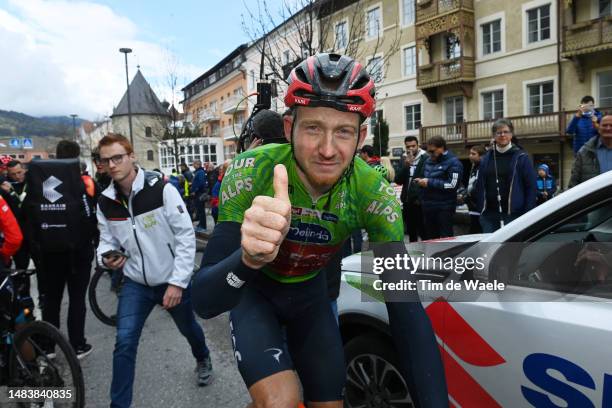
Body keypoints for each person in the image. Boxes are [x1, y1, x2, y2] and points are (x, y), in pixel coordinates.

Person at [193, 53, 447, 408]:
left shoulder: (373, 194)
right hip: (258, 297)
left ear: (360, 138)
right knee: (279, 402)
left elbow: (406, 312)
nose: (327, 150)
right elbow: (204, 302)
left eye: (342, 131)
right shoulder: (252, 171)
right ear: (288, 129)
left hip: (312, 301)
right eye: (313, 128)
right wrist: (247, 259)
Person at [95, 133, 212, 408]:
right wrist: (105, 258)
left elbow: (185, 237)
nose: (112, 165)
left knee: (188, 328)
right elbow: (106, 241)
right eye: (105, 160)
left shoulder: (162, 189)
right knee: (124, 343)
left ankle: (203, 356)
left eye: (117, 158)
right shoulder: (105, 202)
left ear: (131, 156)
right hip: (135, 283)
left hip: (171, 279)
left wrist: (177, 283)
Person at [29, 140, 96, 359]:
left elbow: (28, 217)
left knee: (51, 300)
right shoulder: (78, 181)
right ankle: (77, 345)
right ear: (76, 157)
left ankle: (48, 347)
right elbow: (89, 215)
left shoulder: (39, 179)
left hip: (49, 251)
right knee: (77, 299)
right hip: (78, 252)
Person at [474, 119, 537, 233]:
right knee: (490, 249)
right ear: (494, 136)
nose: (502, 135)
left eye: (506, 132)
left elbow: (531, 187)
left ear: (511, 135)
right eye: (498, 132)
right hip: (489, 215)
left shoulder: (522, 157)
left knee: (510, 249)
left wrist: (528, 213)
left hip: (513, 215)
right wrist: (480, 209)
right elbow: (480, 185)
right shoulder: (486, 158)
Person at [415, 136, 463, 239]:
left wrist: (429, 182)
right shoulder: (428, 160)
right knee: (431, 238)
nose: (430, 154)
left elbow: (453, 185)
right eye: (428, 151)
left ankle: (448, 255)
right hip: (428, 206)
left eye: (432, 151)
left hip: (444, 207)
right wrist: (421, 182)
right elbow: (425, 177)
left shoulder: (454, 163)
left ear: (441, 148)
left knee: (446, 238)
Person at [394, 136, 428, 241]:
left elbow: (426, 177)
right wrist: (406, 165)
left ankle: (427, 255)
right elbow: (398, 180)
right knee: (411, 232)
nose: (411, 149)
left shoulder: (425, 157)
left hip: (420, 201)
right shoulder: (404, 158)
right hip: (407, 201)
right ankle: (414, 254)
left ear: (418, 145)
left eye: (413, 146)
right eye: (408, 147)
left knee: (423, 231)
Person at [569, 114, 612, 188]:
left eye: (611, 125)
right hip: (595, 199)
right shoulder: (584, 153)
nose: (608, 128)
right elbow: (573, 184)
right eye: (604, 125)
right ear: (598, 128)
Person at [460, 145, 486, 234]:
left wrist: (466, 196)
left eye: (473, 154)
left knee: (477, 231)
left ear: (481, 156)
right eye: (470, 153)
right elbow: (470, 185)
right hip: (472, 205)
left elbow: (477, 186)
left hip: (478, 206)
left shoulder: (482, 167)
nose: (470, 156)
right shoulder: (474, 167)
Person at [191, 160, 209, 233]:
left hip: (199, 194)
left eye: (194, 164)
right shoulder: (198, 172)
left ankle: (203, 226)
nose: (193, 165)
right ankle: (200, 224)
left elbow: (201, 183)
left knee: (201, 211)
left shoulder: (200, 172)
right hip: (198, 193)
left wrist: (195, 190)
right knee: (199, 210)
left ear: (197, 164)